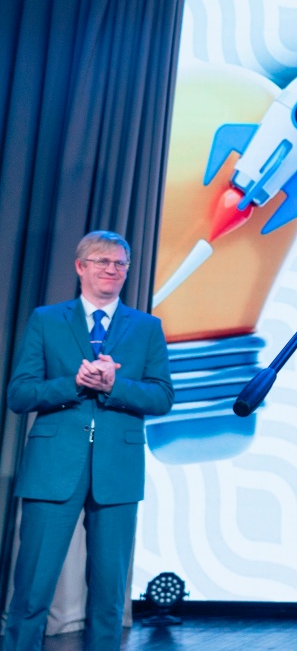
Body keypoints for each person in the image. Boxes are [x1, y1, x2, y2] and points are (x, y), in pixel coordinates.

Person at [4, 230, 173, 651]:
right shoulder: (47, 319)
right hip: (53, 468)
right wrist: (73, 383)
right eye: (102, 261)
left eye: (120, 264)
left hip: (118, 471)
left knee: (109, 596)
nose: (111, 270)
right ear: (81, 267)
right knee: (31, 590)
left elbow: (162, 397)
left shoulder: (147, 327)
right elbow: (20, 394)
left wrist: (116, 385)